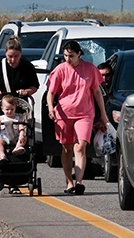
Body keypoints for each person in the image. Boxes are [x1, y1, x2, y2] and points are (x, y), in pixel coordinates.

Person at [46, 40, 107, 195]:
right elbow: (51, 92)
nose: (68, 59)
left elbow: (97, 92)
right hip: (64, 114)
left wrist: (103, 114)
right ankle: (69, 182)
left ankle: (79, 182)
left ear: (79, 54)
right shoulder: (60, 70)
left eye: (71, 56)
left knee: (80, 147)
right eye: (65, 55)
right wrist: (51, 108)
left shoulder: (90, 69)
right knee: (67, 148)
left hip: (85, 113)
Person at [0, 94, 29, 164]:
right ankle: (2, 155)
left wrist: (21, 135)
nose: (9, 111)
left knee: (24, 138)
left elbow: (21, 128)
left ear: (15, 108)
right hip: (4, 138)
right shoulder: (1, 118)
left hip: (16, 137)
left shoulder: (18, 118)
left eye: (12, 109)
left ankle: (18, 147)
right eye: (7, 109)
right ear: (2, 108)